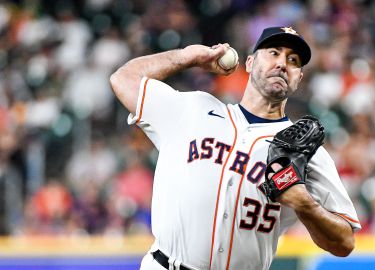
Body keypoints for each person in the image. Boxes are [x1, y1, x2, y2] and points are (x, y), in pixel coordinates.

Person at [110, 26, 361, 270]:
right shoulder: (192, 109)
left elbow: (344, 243)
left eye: (293, 60)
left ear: (299, 78)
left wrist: (306, 205)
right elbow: (123, 79)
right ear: (250, 63)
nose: (283, 63)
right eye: (274, 53)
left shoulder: (306, 151)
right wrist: (188, 57)